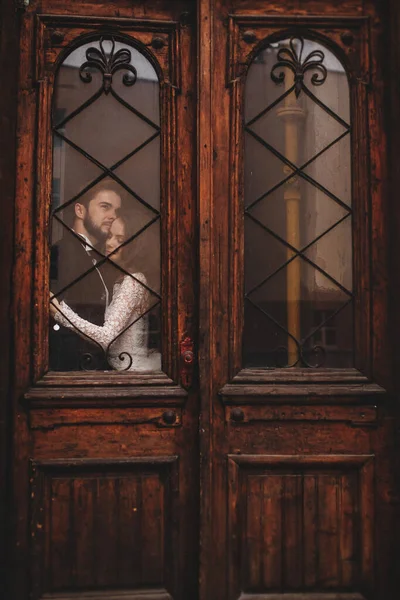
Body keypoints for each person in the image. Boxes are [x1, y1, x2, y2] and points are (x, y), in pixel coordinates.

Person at [50, 215, 161, 372]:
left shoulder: (133, 280)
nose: (109, 243)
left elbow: (106, 337)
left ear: (135, 245)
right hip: (122, 369)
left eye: (120, 239)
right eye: (109, 236)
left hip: (130, 374)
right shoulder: (126, 278)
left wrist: (60, 313)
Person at [49, 180, 122, 370]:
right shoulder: (57, 254)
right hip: (67, 371)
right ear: (80, 211)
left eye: (116, 210)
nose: (113, 216)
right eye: (105, 207)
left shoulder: (106, 257)